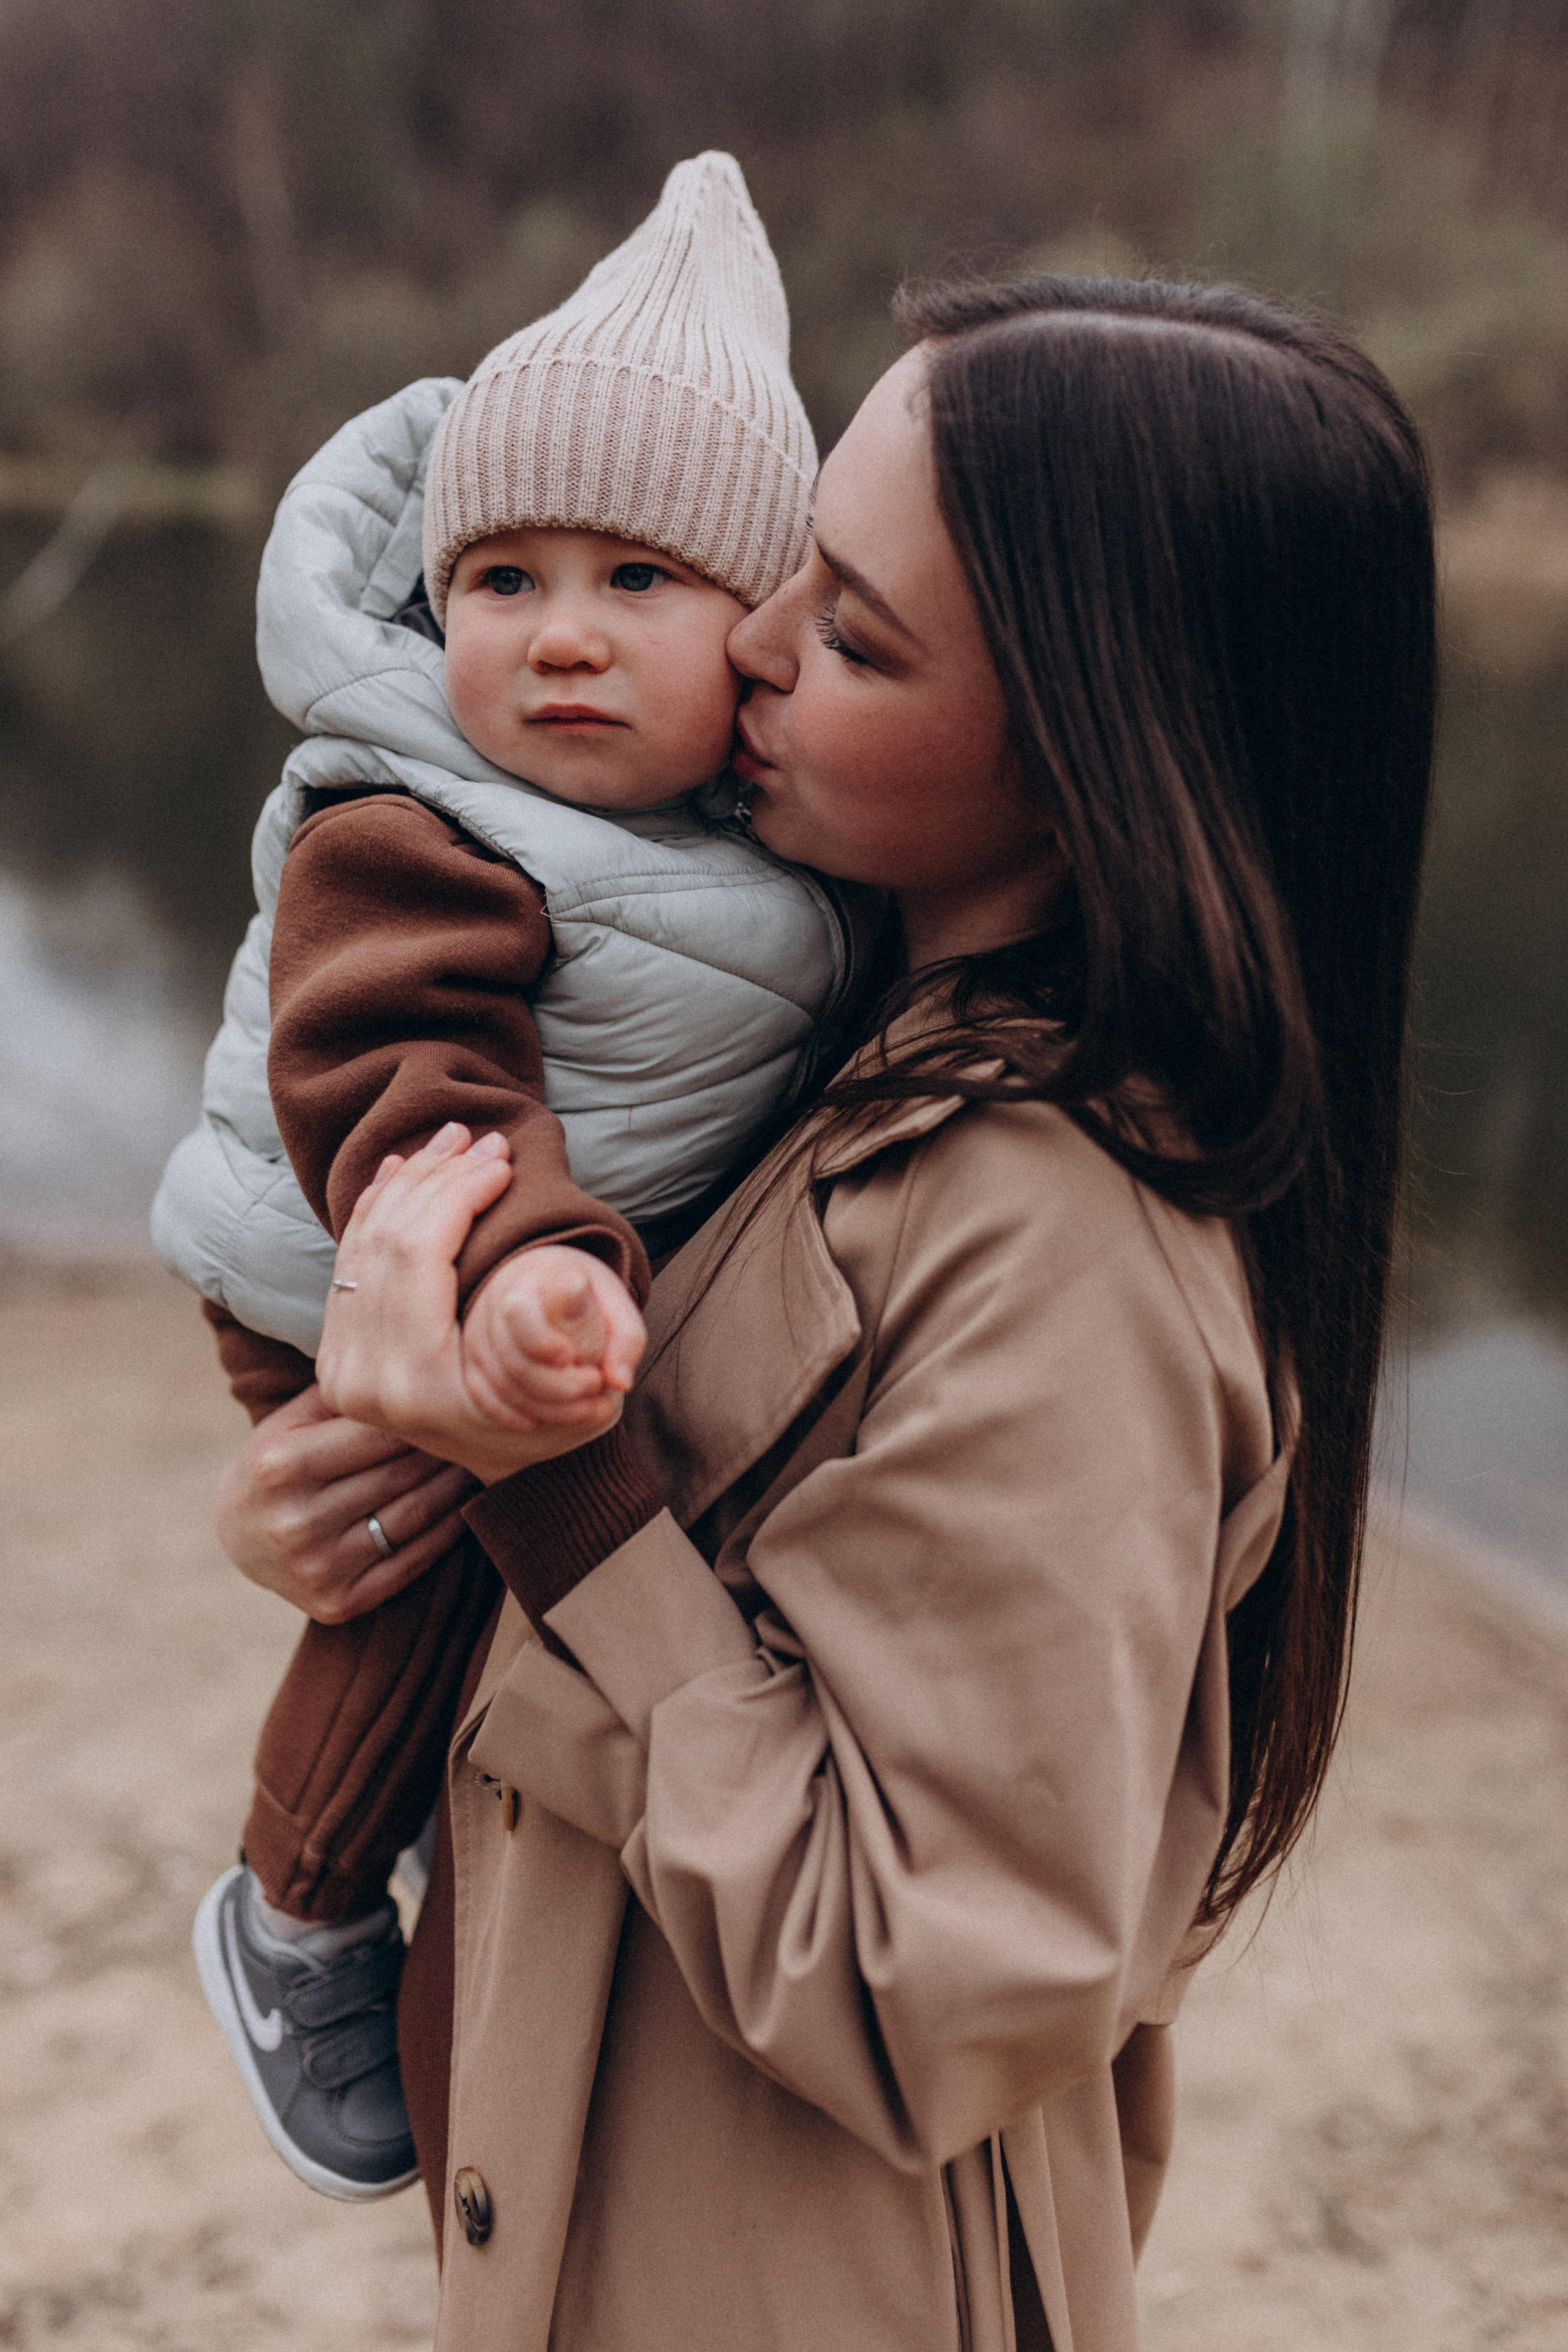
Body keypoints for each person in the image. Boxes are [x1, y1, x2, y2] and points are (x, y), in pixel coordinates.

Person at [214, 274, 1436, 2350]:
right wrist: (355, 1508)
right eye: (796, 575)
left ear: (1090, 755)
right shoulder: (833, 1041)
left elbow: (921, 1970)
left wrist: (552, 1496)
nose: (748, 643)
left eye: (850, 632)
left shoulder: (1062, 1242)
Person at [152, 153, 873, 2200]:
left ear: (764, 625)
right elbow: (404, 1077)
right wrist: (523, 1275)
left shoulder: (760, 845)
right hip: (362, 1254)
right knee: (425, 1551)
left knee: (514, 1584)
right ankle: (294, 1909)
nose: (560, 639)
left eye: (638, 583)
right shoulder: (414, 826)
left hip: (527, 1262)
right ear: (433, 600)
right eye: (504, 581)